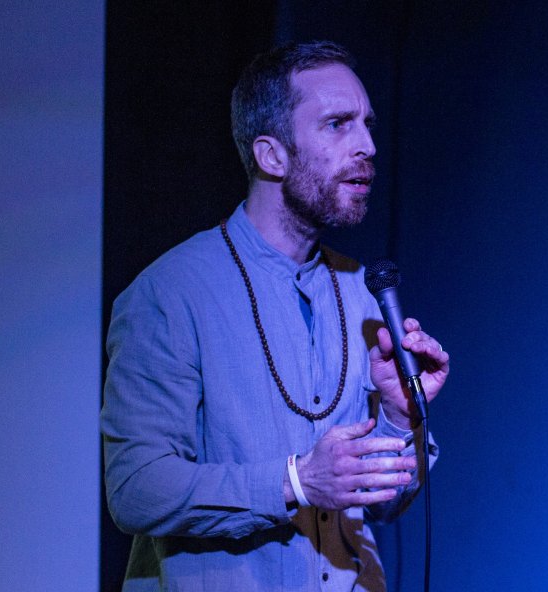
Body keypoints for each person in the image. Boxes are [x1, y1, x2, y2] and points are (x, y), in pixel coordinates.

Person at [101, 41, 450, 592]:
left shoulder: (361, 292)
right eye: (338, 124)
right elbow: (137, 488)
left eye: (367, 124)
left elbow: (383, 505)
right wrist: (296, 482)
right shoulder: (170, 293)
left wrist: (397, 415)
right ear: (271, 156)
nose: (367, 145)